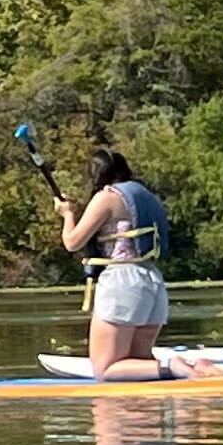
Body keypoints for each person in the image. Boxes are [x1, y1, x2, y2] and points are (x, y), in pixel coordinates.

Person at [58, 148, 176, 381]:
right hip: (152, 280)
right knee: (139, 361)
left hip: (122, 282)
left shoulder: (107, 197)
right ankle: (147, 409)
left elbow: (72, 242)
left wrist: (67, 214)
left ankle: (175, 367)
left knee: (105, 369)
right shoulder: (144, 194)